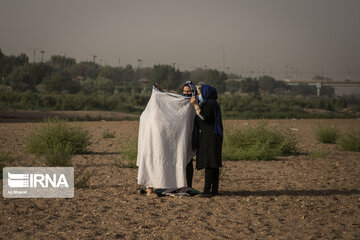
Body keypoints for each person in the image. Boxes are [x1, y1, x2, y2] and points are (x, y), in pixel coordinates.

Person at [190, 84, 223, 197]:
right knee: (214, 164)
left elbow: (204, 118)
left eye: (200, 93)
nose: (199, 95)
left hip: (210, 138)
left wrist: (195, 106)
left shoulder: (209, 104)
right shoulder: (213, 104)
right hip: (213, 136)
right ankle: (214, 190)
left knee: (209, 163)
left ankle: (207, 191)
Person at [181, 81, 197, 188]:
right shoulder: (179, 102)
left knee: (189, 161)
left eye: (189, 91)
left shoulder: (196, 103)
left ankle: (189, 185)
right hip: (180, 137)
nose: (186, 93)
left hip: (191, 136)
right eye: (184, 91)